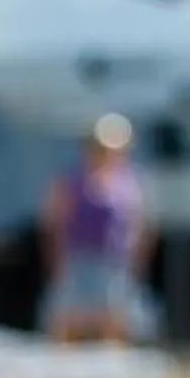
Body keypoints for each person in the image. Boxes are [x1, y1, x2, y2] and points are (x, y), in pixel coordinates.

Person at [41, 115, 152, 345]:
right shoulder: (72, 180)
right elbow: (55, 224)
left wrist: (137, 261)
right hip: (78, 258)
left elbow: (140, 224)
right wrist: (57, 261)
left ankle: (112, 369)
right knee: (68, 318)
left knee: (115, 318)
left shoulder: (130, 182)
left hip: (114, 261)